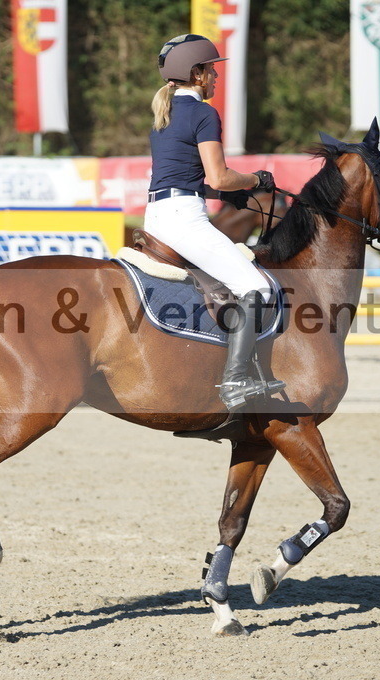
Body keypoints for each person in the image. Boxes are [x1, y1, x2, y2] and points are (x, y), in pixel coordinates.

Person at [145, 33, 285, 413]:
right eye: (211, 70)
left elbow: (185, 179)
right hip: (183, 221)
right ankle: (237, 380)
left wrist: (224, 197)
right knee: (257, 286)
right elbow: (220, 175)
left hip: (157, 216)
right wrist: (256, 180)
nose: (215, 77)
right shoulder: (204, 114)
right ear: (195, 73)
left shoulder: (166, 112)